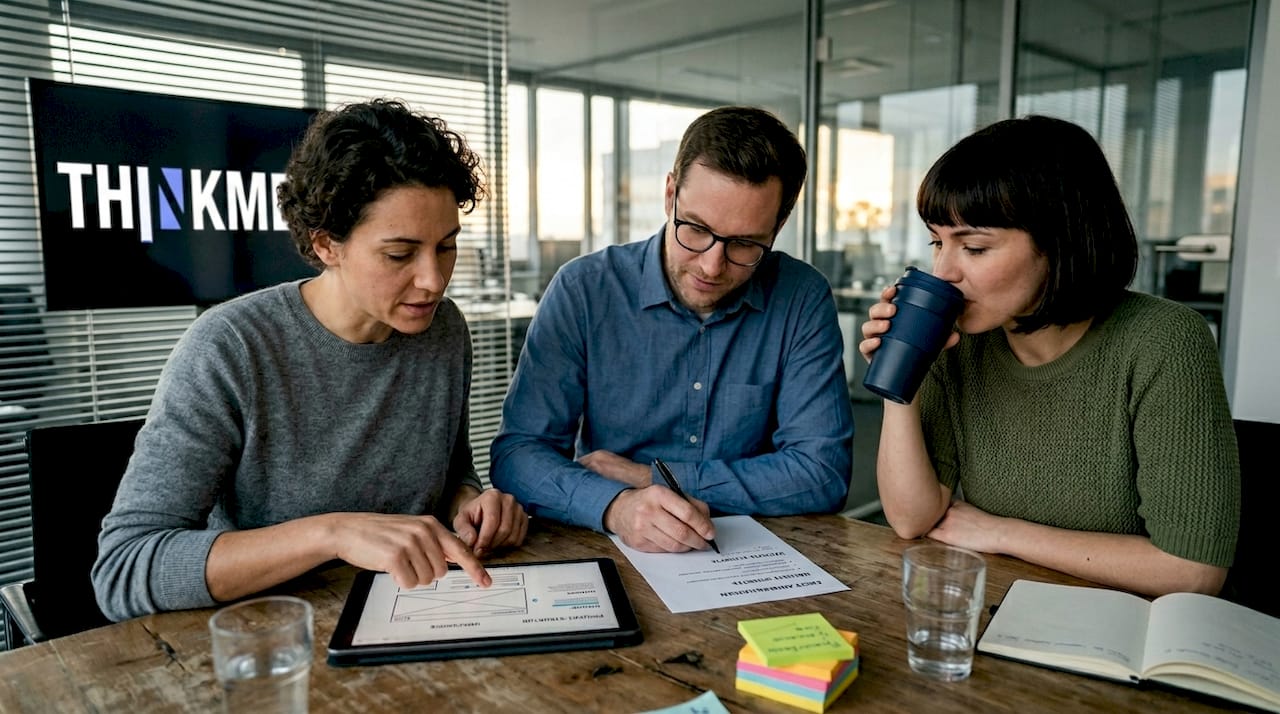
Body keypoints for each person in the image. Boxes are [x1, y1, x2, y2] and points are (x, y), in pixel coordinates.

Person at [92, 99, 528, 621]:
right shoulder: (229, 347)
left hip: (413, 612)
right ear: (327, 245)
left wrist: (470, 504)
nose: (433, 280)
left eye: (447, 247)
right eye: (399, 254)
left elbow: (449, 469)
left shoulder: (443, 329)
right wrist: (333, 532)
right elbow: (124, 569)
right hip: (269, 632)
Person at [859, 115, 1239, 597]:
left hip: (1122, 630)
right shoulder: (958, 342)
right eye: (938, 242)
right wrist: (902, 376)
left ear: (1059, 243)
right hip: (1000, 609)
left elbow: (1193, 571)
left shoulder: (1163, 340)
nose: (944, 270)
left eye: (974, 247)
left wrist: (1001, 532)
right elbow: (912, 518)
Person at [490, 106, 853, 553]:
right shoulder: (585, 289)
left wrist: (655, 477)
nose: (711, 265)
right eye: (696, 229)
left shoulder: (800, 296)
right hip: (614, 547)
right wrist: (617, 506)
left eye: (744, 243)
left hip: (754, 557)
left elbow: (822, 474)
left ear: (777, 228)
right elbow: (518, 455)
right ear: (669, 195)